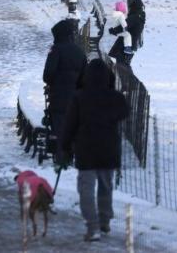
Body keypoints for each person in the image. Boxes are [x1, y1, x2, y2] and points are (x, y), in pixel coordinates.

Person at [61, 58, 129, 242]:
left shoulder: (79, 97)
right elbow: (124, 112)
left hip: (86, 150)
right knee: (106, 187)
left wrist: (65, 147)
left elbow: (69, 125)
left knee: (86, 189)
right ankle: (105, 220)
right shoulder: (116, 98)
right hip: (108, 149)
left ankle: (93, 227)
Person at [42, 19, 86, 155]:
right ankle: (73, 155)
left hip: (59, 98)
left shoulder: (56, 50)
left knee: (60, 128)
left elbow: (47, 74)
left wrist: (54, 83)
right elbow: (85, 77)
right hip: (76, 99)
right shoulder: (80, 52)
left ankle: (62, 159)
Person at [108, 0, 145, 67]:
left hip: (123, 46)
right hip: (131, 46)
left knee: (116, 65)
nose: (129, 9)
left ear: (134, 7)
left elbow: (124, 26)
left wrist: (113, 30)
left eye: (130, 7)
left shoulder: (134, 17)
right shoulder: (140, 18)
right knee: (123, 66)